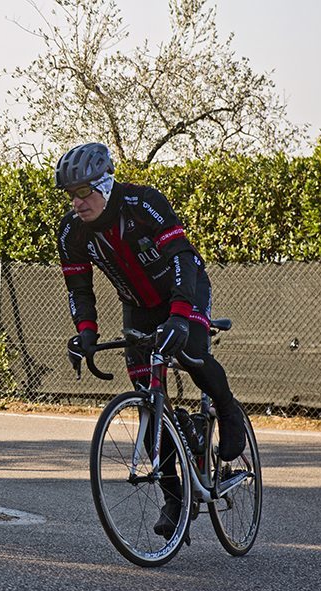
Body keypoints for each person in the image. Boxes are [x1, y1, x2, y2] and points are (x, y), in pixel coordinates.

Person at [54, 142, 247, 539]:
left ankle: (227, 411)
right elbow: (78, 287)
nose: (77, 202)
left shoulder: (143, 203)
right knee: (148, 399)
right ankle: (175, 497)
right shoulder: (72, 232)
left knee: (191, 353)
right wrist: (86, 332)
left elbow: (180, 256)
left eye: (83, 191)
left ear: (105, 185)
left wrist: (180, 314)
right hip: (138, 304)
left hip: (184, 289)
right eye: (70, 194)